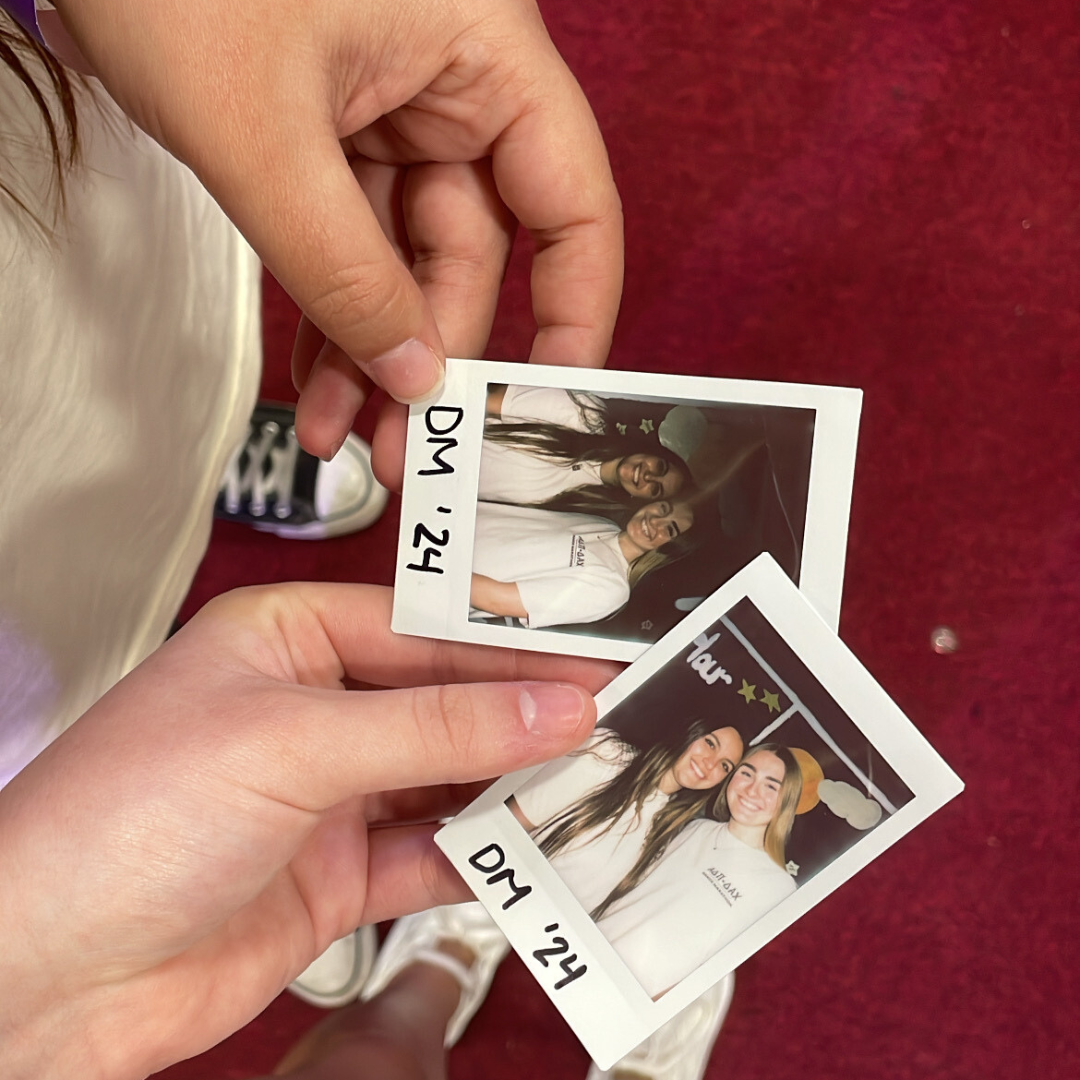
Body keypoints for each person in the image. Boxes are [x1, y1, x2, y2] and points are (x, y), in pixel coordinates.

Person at [596, 745, 802, 998]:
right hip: (592, 950)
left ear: (787, 801)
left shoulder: (779, 888)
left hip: (632, 995)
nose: (751, 790)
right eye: (746, 774)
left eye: (771, 786)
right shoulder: (696, 828)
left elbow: (718, 973)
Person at [510, 722, 745, 915]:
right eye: (710, 743)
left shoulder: (670, 838)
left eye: (725, 766)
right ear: (690, 731)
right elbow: (508, 825)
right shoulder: (606, 757)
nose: (711, 763)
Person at [469, 497, 696, 629]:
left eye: (669, 530)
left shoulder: (611, 589)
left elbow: (495, 600)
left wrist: (440, 566)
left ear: (668, 550)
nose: (654, 521)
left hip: (440, 568)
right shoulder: (605, 525)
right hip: (446, 521)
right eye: (663, 509)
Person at [480, 384, 690, 516]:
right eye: (660, 467)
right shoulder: (585, 415)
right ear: (652, 451)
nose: (649, 476)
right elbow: (486, 399)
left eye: (655, 489)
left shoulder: (574, 509)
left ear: (642, 500)